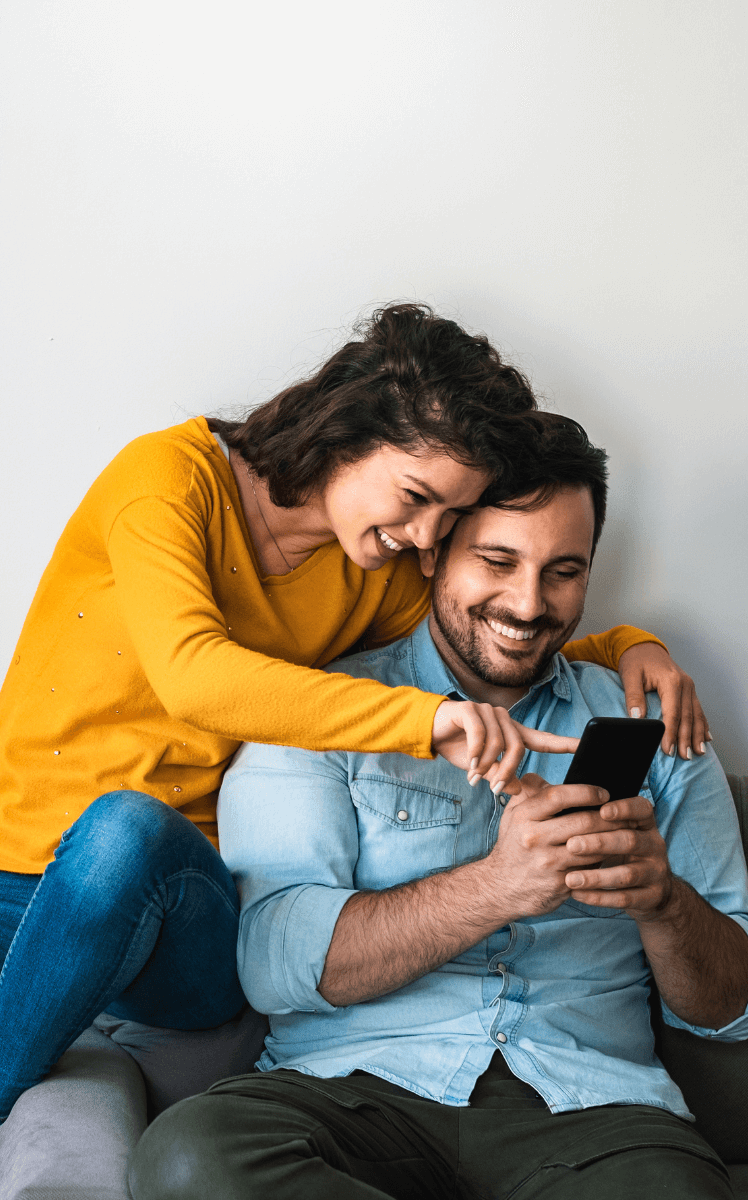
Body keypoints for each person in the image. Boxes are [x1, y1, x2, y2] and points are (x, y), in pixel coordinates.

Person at [0, 306, 706, 1200]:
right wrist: (424, 723)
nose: (424, 538)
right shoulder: (169, 480)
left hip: (173, 898)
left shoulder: (371, 569)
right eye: (419, 499)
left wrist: (629, 644)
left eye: (446, 516)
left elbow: (499, 628)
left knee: (125, 838)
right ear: (350, 431)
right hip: (1, 866)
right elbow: (195, 674)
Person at [130, 413, 746, 1200]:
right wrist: (498, 886)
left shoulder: (655, 727)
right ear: (435, 552)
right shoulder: (325, 713)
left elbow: (730, 1010)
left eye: (563, 571)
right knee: (189, 1157)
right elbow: (272, 964)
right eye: (497, 560)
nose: (528, 604)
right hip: (352, 1097)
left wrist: (663, 902)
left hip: (596, 1117)